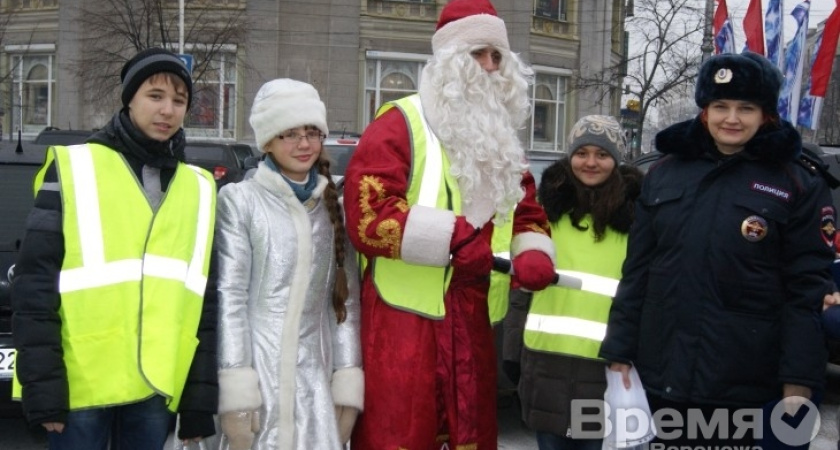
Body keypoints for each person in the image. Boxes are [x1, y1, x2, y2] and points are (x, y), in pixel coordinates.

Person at [343, 0, 558, 448]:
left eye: (498, 56)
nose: (490, 66)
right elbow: (368, 215)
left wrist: (533, 250)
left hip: (474, 315)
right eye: (479, 53)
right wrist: (457, 241)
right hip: (405, 318)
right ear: (449, 61)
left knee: (470, 432)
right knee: (402, 433)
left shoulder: (501, 137)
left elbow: (526, 212)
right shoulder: (401, 123)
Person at [599, 51, 832, 448]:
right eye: (720, 106)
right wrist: (619, 348)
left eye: (746, 107)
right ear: (704, 111)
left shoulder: (797, 182)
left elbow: (805, 290)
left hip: (749, 382)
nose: (732, 118)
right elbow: (637, 271)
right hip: (664, 377)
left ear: (765, 115)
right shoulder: (664, 174)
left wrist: (799, 379)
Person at [11, 47, 218, 449]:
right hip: (80, 387)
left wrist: (198, 401)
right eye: (155, 96)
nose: (167, 110)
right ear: (129, 99)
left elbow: (203, 302)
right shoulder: (76, 167)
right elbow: (34, 285)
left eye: (179, 100)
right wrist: (44, 387)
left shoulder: (199, 186)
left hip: (155, 388)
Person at [214, 78, 363, 450]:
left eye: (312, 132)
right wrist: (237, 390)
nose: (304, 144)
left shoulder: (335, 208)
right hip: (259, 378)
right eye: (289, 134)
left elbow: (344, 305)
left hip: (315, 382)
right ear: (267, 141)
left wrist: (346, 379)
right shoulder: (240, 201)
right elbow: (230, 298)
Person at [502, 115, 643, 450]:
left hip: (605, 364)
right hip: (544, 358)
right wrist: (511, 350)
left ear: (616, 159)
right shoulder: (544, 214)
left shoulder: (636, 218)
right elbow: (522, 286)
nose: (591, 162)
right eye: (582, 153)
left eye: (602, 154)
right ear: (569, 156)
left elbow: (642, 292)